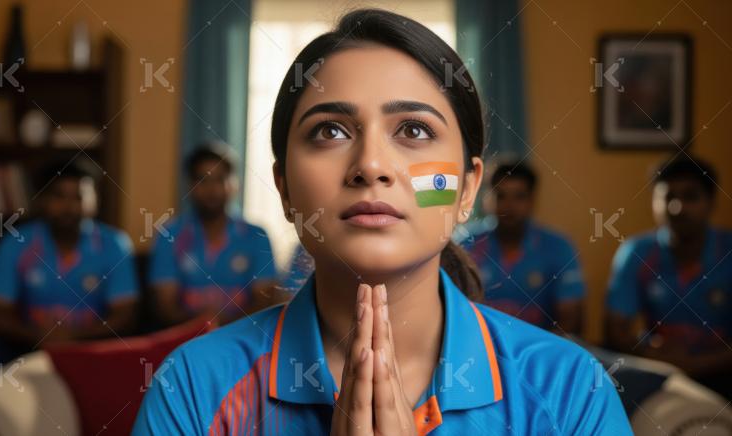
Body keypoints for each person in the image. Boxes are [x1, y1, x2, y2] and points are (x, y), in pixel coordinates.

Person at [134, 9, 630, 435]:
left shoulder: (570, 390)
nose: (371, 164)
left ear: (466, 188)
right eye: (329, 131)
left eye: (414, 129)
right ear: (283, 187)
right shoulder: (193, 389)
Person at [0, 162, 139, 378]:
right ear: (43, 200)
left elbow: (125, 315)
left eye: (78, 197)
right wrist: (38, 336)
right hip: (27, 344)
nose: (69, 206)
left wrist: (74, 336)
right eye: (59, 196)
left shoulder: (114, 244)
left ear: (95, 200)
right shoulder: (16, 243)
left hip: (91, 345)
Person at [606, 156, 732, 397]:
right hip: (659, 374)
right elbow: (617, 332)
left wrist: (697, 365)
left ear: (711, 202)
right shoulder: (637, 252)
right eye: (668, 197)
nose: (677, 207)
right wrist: (657, 358)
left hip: (722, 373)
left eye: (690, 196)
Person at [148, 143, 280, 327]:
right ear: (190, 186)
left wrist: (220, 326)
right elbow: (166, 308)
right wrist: (204, 328)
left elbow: (264, 304)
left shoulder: (257, 236)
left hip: (243, 339)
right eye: (203, 180)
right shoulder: (168, 235)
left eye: (220, 179)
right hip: (186, 340)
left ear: (235, 185)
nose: (212, 189)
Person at [462, 161, 586, 334]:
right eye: (501, 196)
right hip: (478, 352)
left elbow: (570, 321)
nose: (509, 206)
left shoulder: (559, 248)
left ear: (533, 200)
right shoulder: (464, 245)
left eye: (519, 196)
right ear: (487, 199)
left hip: (540, 354)